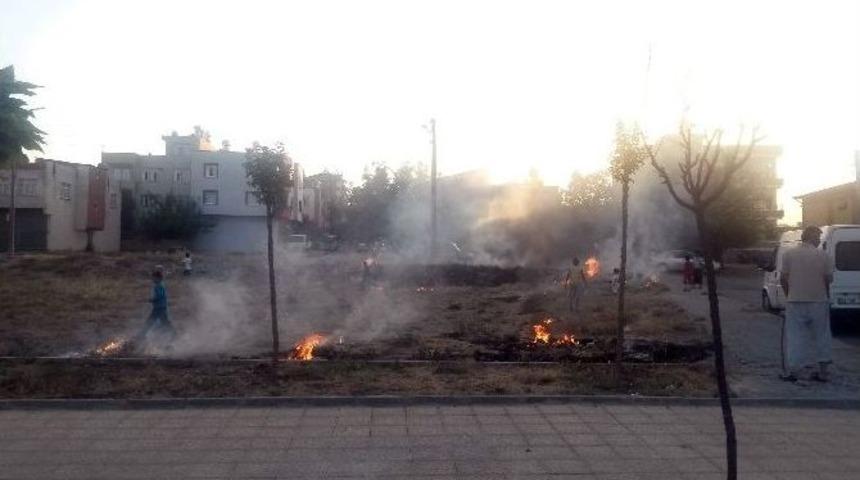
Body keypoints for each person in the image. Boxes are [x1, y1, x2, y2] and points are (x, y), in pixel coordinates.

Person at [779, 226, 833, 382]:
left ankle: (797, 371)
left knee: (796, 336)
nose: (818, 240)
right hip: (819, 301)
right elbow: (829, 279)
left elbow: (783, 278)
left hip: (795, 301)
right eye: (817, 237)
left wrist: (789, 295)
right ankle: (823, 372)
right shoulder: (823, 256)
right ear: (811, 237)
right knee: (822, 335)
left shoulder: (789, 254)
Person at [134, 267, 176, 344]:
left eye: (153, 278)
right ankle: (173, 334)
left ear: (158, 278)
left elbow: (159, 296)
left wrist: (151, 300)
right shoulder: (160, 285)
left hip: (159, 308)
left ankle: (141, 336)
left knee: (151, 322)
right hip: (160, 307)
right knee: (163, 322)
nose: (152, 279)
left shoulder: (158, 286)